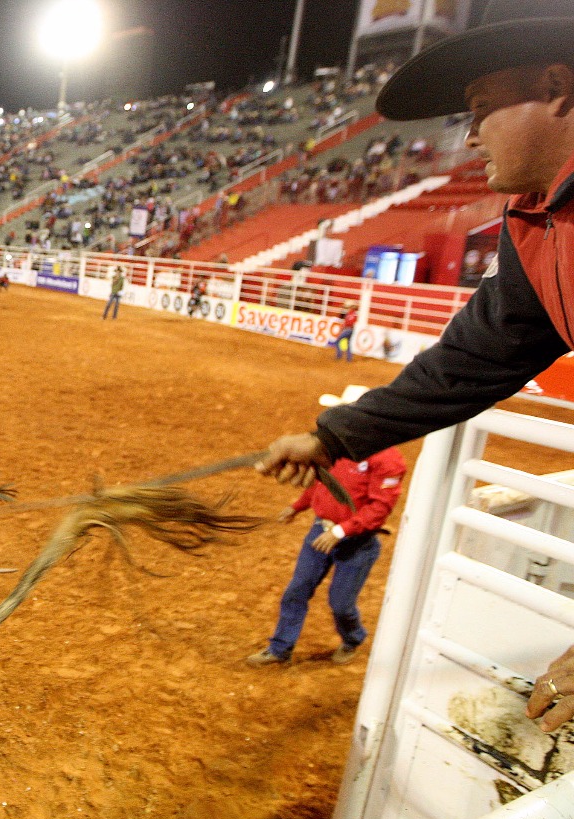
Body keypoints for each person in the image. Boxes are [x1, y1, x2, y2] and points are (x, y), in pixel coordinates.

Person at [253, 0, 574, 730]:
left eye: (483, 108)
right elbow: (470, 359)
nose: (468, 135)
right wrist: (337, 436)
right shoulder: (537, 223)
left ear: (557, 85)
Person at [248, 385, 406, 666]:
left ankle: (353, 637)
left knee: (341, 604)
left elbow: (379, 509)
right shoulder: (334, 449)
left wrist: (340, 531)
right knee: (297, 590)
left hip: (356, 542)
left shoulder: (387, 459)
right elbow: (322, 485)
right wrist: (298, 506)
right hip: (321, 531)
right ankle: (280, 648)